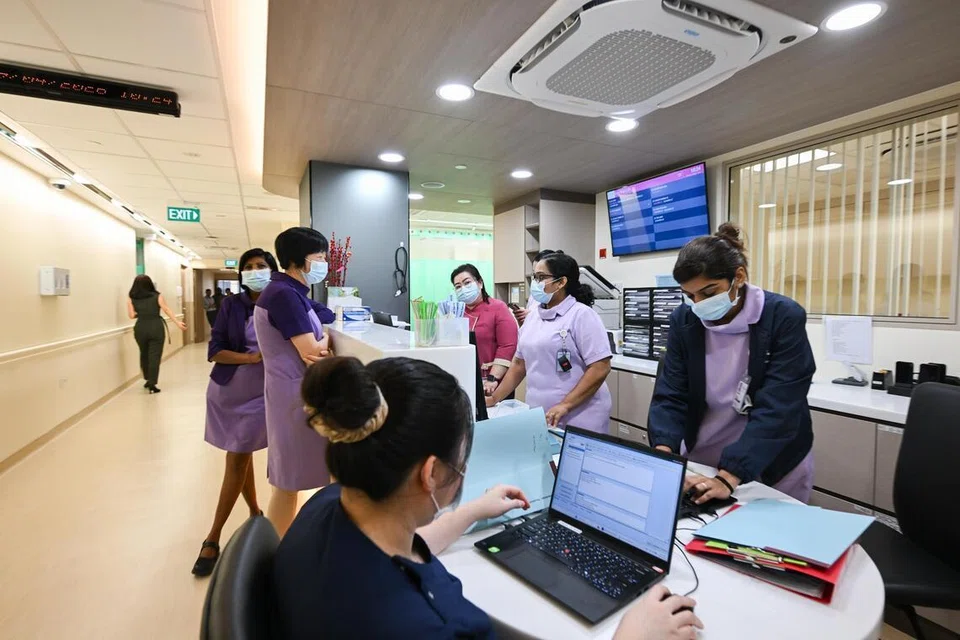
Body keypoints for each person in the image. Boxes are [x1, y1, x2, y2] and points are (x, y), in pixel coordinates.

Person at [273, 356, 702, 640]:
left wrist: (471, 512)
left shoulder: (327, 506)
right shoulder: (417, 627)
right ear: (431, 473)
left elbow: (402, 546)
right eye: (463, 456)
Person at [648, 223, 816, 504]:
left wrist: (729, 477)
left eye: (708, 293)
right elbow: (671, 394)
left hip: (771, 456)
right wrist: (663, 454)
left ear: (738, 277)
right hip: (705, 454)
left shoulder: (782, 317)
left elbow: (780, 406)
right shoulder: (685, 320)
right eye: (690, 296)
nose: (699, 304)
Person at [192, 249, 278, 577]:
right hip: (230, 392)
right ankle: (220, 533)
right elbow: (215, 351)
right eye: (249, 267)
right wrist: (251, 358)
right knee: (240, 457)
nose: (255, 271)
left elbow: (318, 315)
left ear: (272, 270)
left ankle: (239, 521)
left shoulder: (280, 304)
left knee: (240, 456)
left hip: (262, 394)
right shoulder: (231, 305)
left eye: (261, 266)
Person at [254, 227, 336, 537]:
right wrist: (326, 340)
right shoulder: (284, 295)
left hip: (290, 390)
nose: (324, 263)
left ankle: (278, 546)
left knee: (288, 479)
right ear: (297, 259)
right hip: (295, 394)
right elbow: (312, 352)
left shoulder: (288, 292)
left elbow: (321, 321)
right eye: (319, 257)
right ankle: (277, 549)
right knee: (288, 481)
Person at [487, 253, 613, 432]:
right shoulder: (533, 318)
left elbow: (600, 367)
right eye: (534, 277)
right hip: (540, 413)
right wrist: (495, 398)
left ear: (561, 282)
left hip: (579, 414)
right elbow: (519, 364)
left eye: (541, 277)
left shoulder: (582, 315)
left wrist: (565, 405)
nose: (535, 283)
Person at [451, 263, 518, 397]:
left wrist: (493, 378)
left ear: (480, 283)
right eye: (458, 286)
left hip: (493, 383)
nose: (463, 289)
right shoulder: (456, 312)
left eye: (467, 283)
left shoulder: (498, 308)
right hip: (465, 379)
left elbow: (508, 346)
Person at [127, 275, 186, 393]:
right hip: (156, 327)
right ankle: (152, 383)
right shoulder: (157, 296)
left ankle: (147, 378)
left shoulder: (131, 298)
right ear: (150, 284)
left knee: (144, 354)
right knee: (154, 356)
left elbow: (131, 315)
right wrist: (177, 323)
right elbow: (166, 309)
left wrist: (142, 313)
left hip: (140, 328)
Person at [512, 249, 563, 327]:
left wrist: (531, 316)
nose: (537, 282)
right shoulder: (535, 295)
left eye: (541, 276)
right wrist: (523, 320)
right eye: (535, 276)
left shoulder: (575, 310)